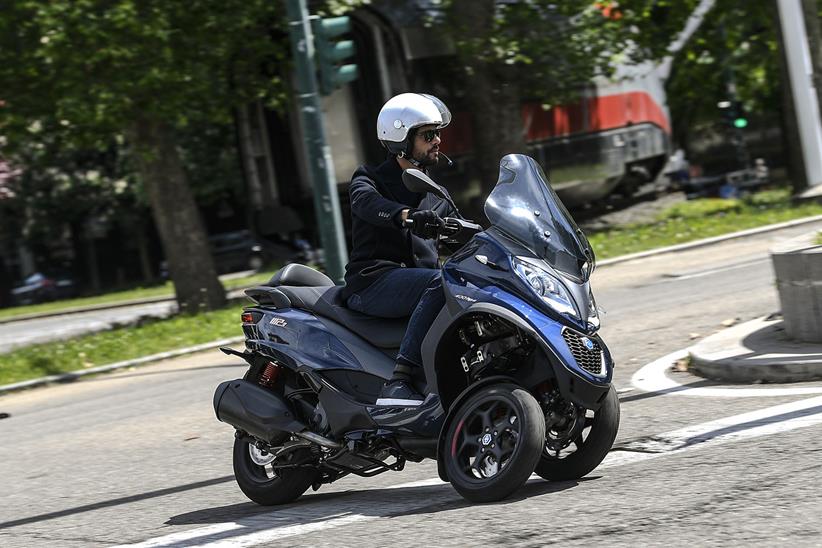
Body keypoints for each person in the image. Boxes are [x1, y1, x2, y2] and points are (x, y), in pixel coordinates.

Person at [341, 93, 459, 406]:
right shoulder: (370, 179)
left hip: (416, 282)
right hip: (373, 282)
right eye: (427, 135)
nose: (437, 141)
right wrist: (404, 216)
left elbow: (464, 232)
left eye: (438, 133)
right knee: (441, 281)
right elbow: (366, 204)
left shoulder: (436, 194)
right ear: (400, 138)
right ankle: (400, 380)